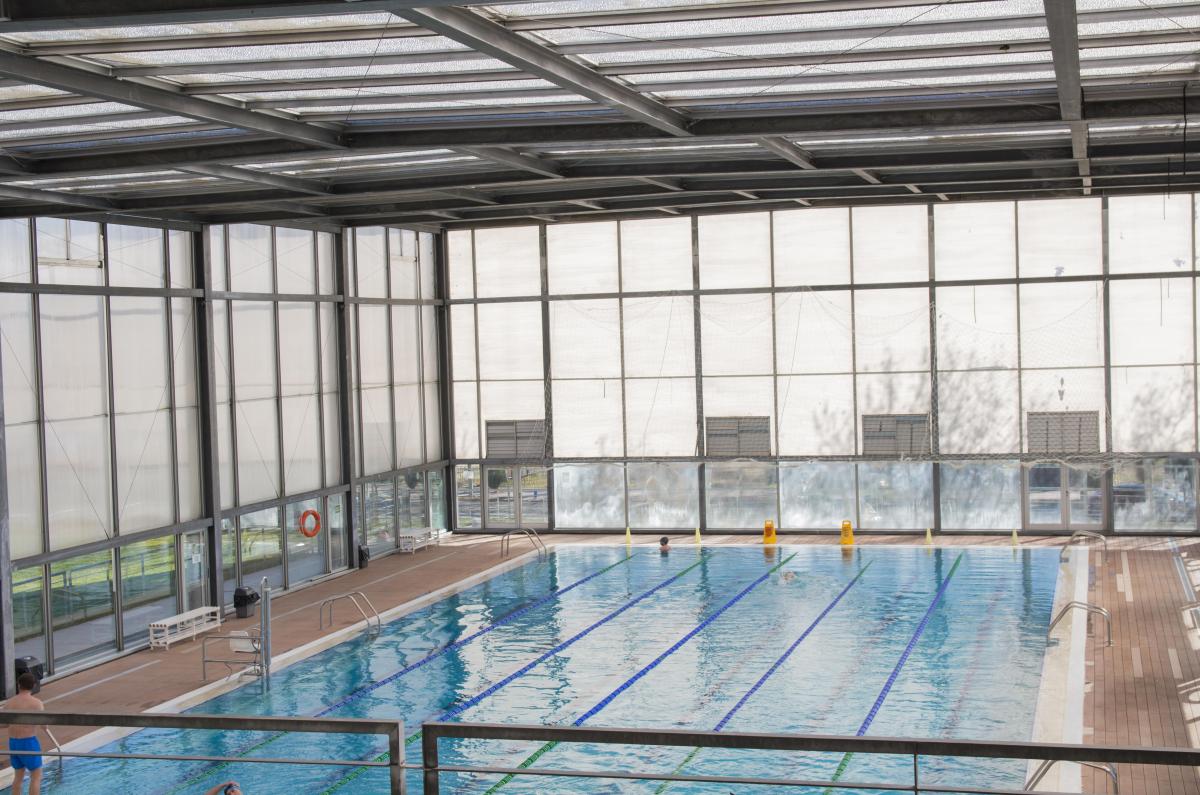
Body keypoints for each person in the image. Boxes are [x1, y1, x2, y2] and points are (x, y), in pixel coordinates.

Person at [6, 672, 44, 795]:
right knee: (36, 776)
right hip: (28, 742)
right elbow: (44, 724)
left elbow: (4, 724)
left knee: (18, 777)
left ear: (18, 685)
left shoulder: (10, 702)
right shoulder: (36, 703)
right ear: (33, 686)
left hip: (13, 742)